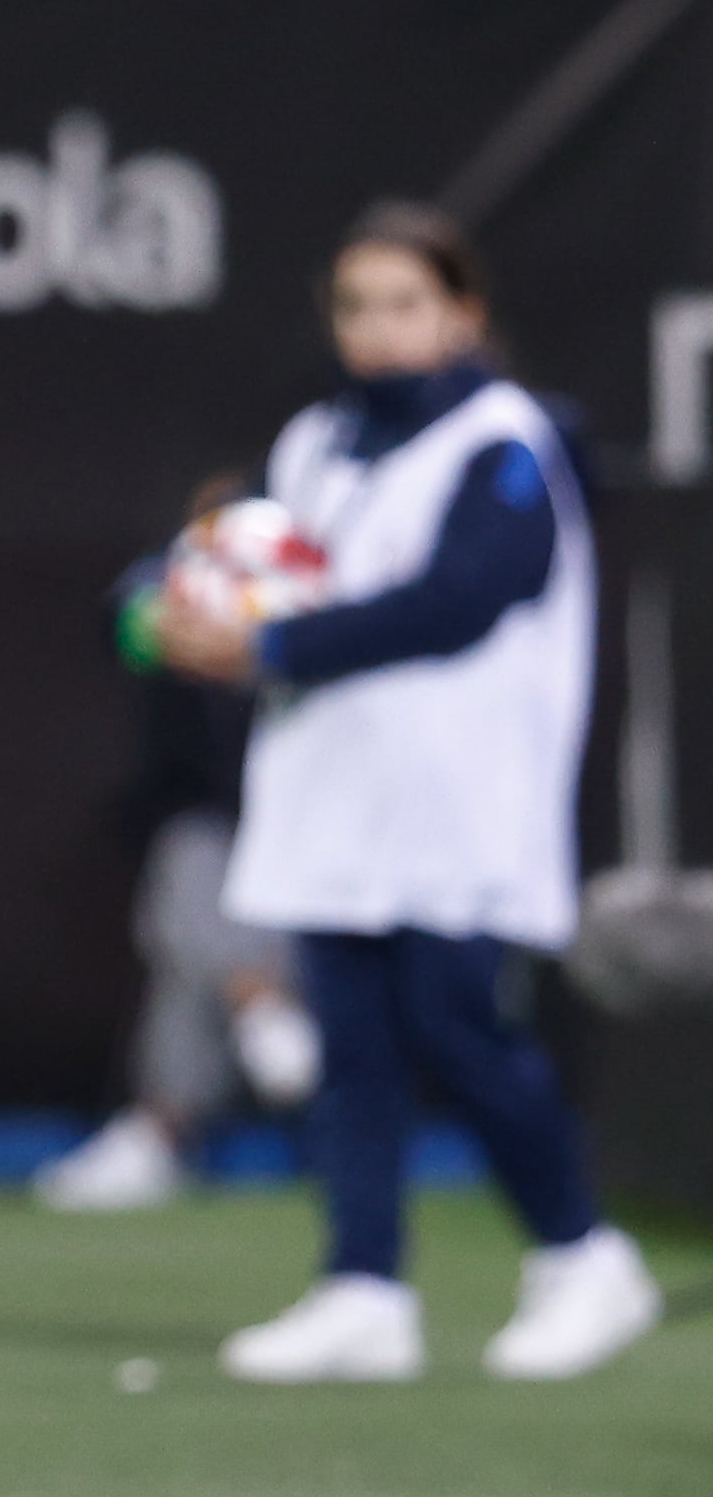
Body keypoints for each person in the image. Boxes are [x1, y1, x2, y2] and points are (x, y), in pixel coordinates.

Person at [158, 203, 662, 1383]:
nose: (378, 330)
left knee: (461, 1028)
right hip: (334, 796)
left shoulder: (510, 444)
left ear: (463, 314)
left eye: (405, 304)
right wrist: (175, 612)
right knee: (355, 1049)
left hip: (460, 798)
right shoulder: (314, 443)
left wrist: (273, 651)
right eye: (357, 307)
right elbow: (245, 563)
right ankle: (363, 1286)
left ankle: (585, 1257)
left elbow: (462, 599)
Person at [35, 475, 322, 1212]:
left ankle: (168, 1120)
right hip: (219, 838)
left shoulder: (328, 592)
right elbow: (121, 621)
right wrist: (164, 620)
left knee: (197, 923)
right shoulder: (173, 596)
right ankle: (250, 1015)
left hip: (333, 844)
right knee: (190, 871)